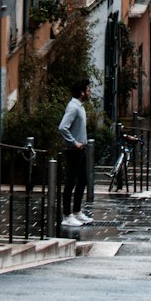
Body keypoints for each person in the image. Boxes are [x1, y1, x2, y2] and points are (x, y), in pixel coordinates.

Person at [58, 78, 93, 227]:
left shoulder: (79, 106)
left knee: (83, 180)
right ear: (82, 92)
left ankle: (77, 211)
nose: (89, 91)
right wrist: (74, 142)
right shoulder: (73, 107)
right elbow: (62, 127)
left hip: (80, 149)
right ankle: (67, 215)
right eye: (88, 89)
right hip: (73, 150)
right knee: (71, 182)